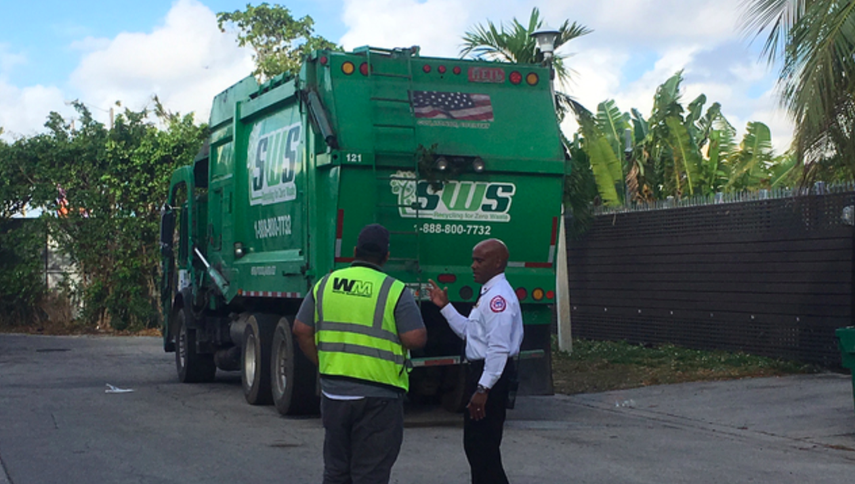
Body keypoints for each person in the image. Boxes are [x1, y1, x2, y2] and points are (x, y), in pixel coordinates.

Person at [293, 223, 427, 484]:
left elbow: (300, 329)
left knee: (336, 471)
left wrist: (323, 363)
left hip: (335, 392)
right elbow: (415, 338)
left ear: (355, 251)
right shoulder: (395, 290)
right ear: (386, 256)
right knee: (371, 473)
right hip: (380, 396)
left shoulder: (325, 284)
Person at [428, 238, 523, 484]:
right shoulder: (489, 293)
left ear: (498, 262)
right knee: (476, 446)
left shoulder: (498, 299)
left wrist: (483, 388)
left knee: (484, 449)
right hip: (483, 374)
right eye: (473, 259)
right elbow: (471, 332)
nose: (473, 265)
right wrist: (445, 307)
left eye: (479, 260)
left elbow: (498, 349)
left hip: (490, 376)